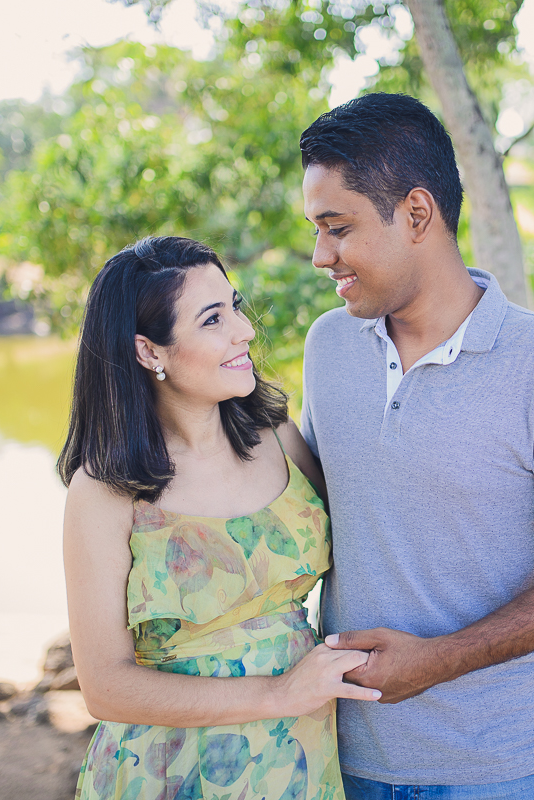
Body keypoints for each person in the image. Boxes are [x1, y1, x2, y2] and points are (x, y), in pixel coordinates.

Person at [298, 93, 534, 798]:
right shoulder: (328, 345)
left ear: (416, 214)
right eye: (317, 231)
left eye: (338, 228)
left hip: (501, 770)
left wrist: (438, 660)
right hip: (343, 761)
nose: (320, 255)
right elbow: (307, 507)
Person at [59, 236, 379, 799]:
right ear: (149, 352)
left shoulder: (276, 437)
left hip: (301, 757)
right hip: (173, 769)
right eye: (213, 320)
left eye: (235, 306)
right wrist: (279, 693)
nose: (244, 331)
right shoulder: (106, 490)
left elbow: (373, 538)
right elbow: (104, 687)